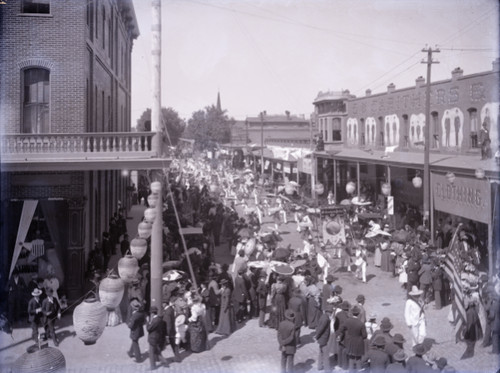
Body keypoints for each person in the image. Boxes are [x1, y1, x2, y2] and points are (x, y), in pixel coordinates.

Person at [339, 305, 367, 372]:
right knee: (358, 358)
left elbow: (341, 329)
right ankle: (358, 370)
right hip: (358, 342)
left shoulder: (347, 321)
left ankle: (351, 371)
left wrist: (347, 333)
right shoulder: (361, 324)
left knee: (351, 357)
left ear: (352, 313)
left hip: (350, 341)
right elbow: (364, 336)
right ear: (359, 314)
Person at [147, 306, 167, 370]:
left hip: (153, 338)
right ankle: (164, 361)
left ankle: (153, 366)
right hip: (157, 337)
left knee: (151, 352)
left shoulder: (155, 320)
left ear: (152, 313)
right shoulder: (159, 319)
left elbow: (148, 328)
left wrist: (148, 322)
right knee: (157, 350)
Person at [315, 308, 332, 372]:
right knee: (326, 355)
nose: (331, 314)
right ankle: (327, 369)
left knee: (321, 352)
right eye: (331, 312)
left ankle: (319, 366)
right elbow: (321, 329)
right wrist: (317, 336)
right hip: (324, 338)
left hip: (321, 338)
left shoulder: (323, 316)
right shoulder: (326, 319)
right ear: (329, 312)